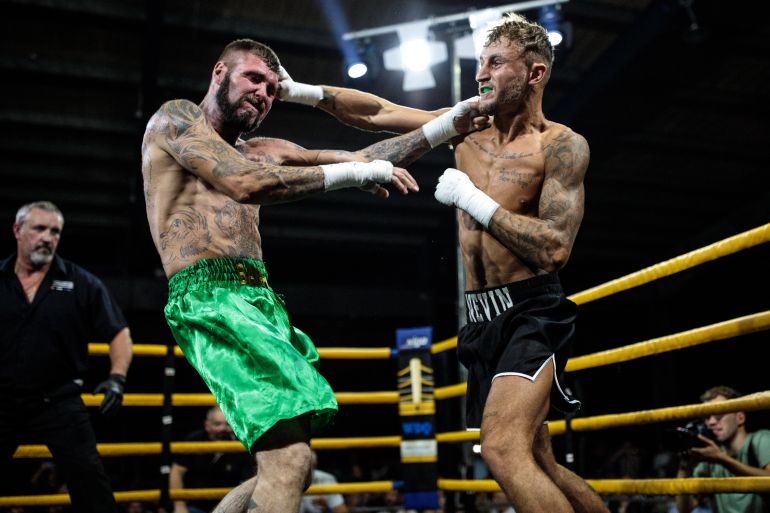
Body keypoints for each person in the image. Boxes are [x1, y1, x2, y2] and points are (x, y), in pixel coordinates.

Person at [278, 13, 611, 513]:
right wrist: (296, 91)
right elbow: (378, 112)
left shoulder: (560, 145)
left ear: (535, 73)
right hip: (478, 318)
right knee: (538, 457)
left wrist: (473, 200)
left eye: (495, 62)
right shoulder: (465, 127)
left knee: (501, 448)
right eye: (480, 61)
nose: (481, 73)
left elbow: (554, 248)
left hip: (530, 314)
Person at [141, 38, 482, 512]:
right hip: (210, 297)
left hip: (261, 300)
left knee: (290, 468)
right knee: (291, 460)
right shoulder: (175, 118)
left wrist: (445, 125)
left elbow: (366, 157)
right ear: (219, 72)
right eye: (253, 78)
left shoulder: (265, 149)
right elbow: (242, 183)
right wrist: (352, 176)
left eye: (271, 87)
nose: (263, 93)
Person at [0, 200, 133, 512]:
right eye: (39, 229)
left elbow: (119, 333)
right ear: (18, 231)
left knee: (91, 483)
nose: (47, 237)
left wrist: (116, 378)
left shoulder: (81, 282)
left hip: (58, 401)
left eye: (54, 231)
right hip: (3, 400)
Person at [676, 386, 770, 513]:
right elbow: (684, 509)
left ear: (740, 417)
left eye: (719, 414)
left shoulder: (761, 439)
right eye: (707, 417)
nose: (711, 422)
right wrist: (684, 465)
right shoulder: (711, 456)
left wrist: (722, 459)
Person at [170, 406, 254, 513]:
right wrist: (179, 506)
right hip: (194, 505)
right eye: (217, 424)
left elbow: (247, 482)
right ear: (207, 425)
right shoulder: (194, 440)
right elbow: (177, 472)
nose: (223, 428)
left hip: (228, 507)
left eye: (228, 424)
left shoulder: (241, 446)